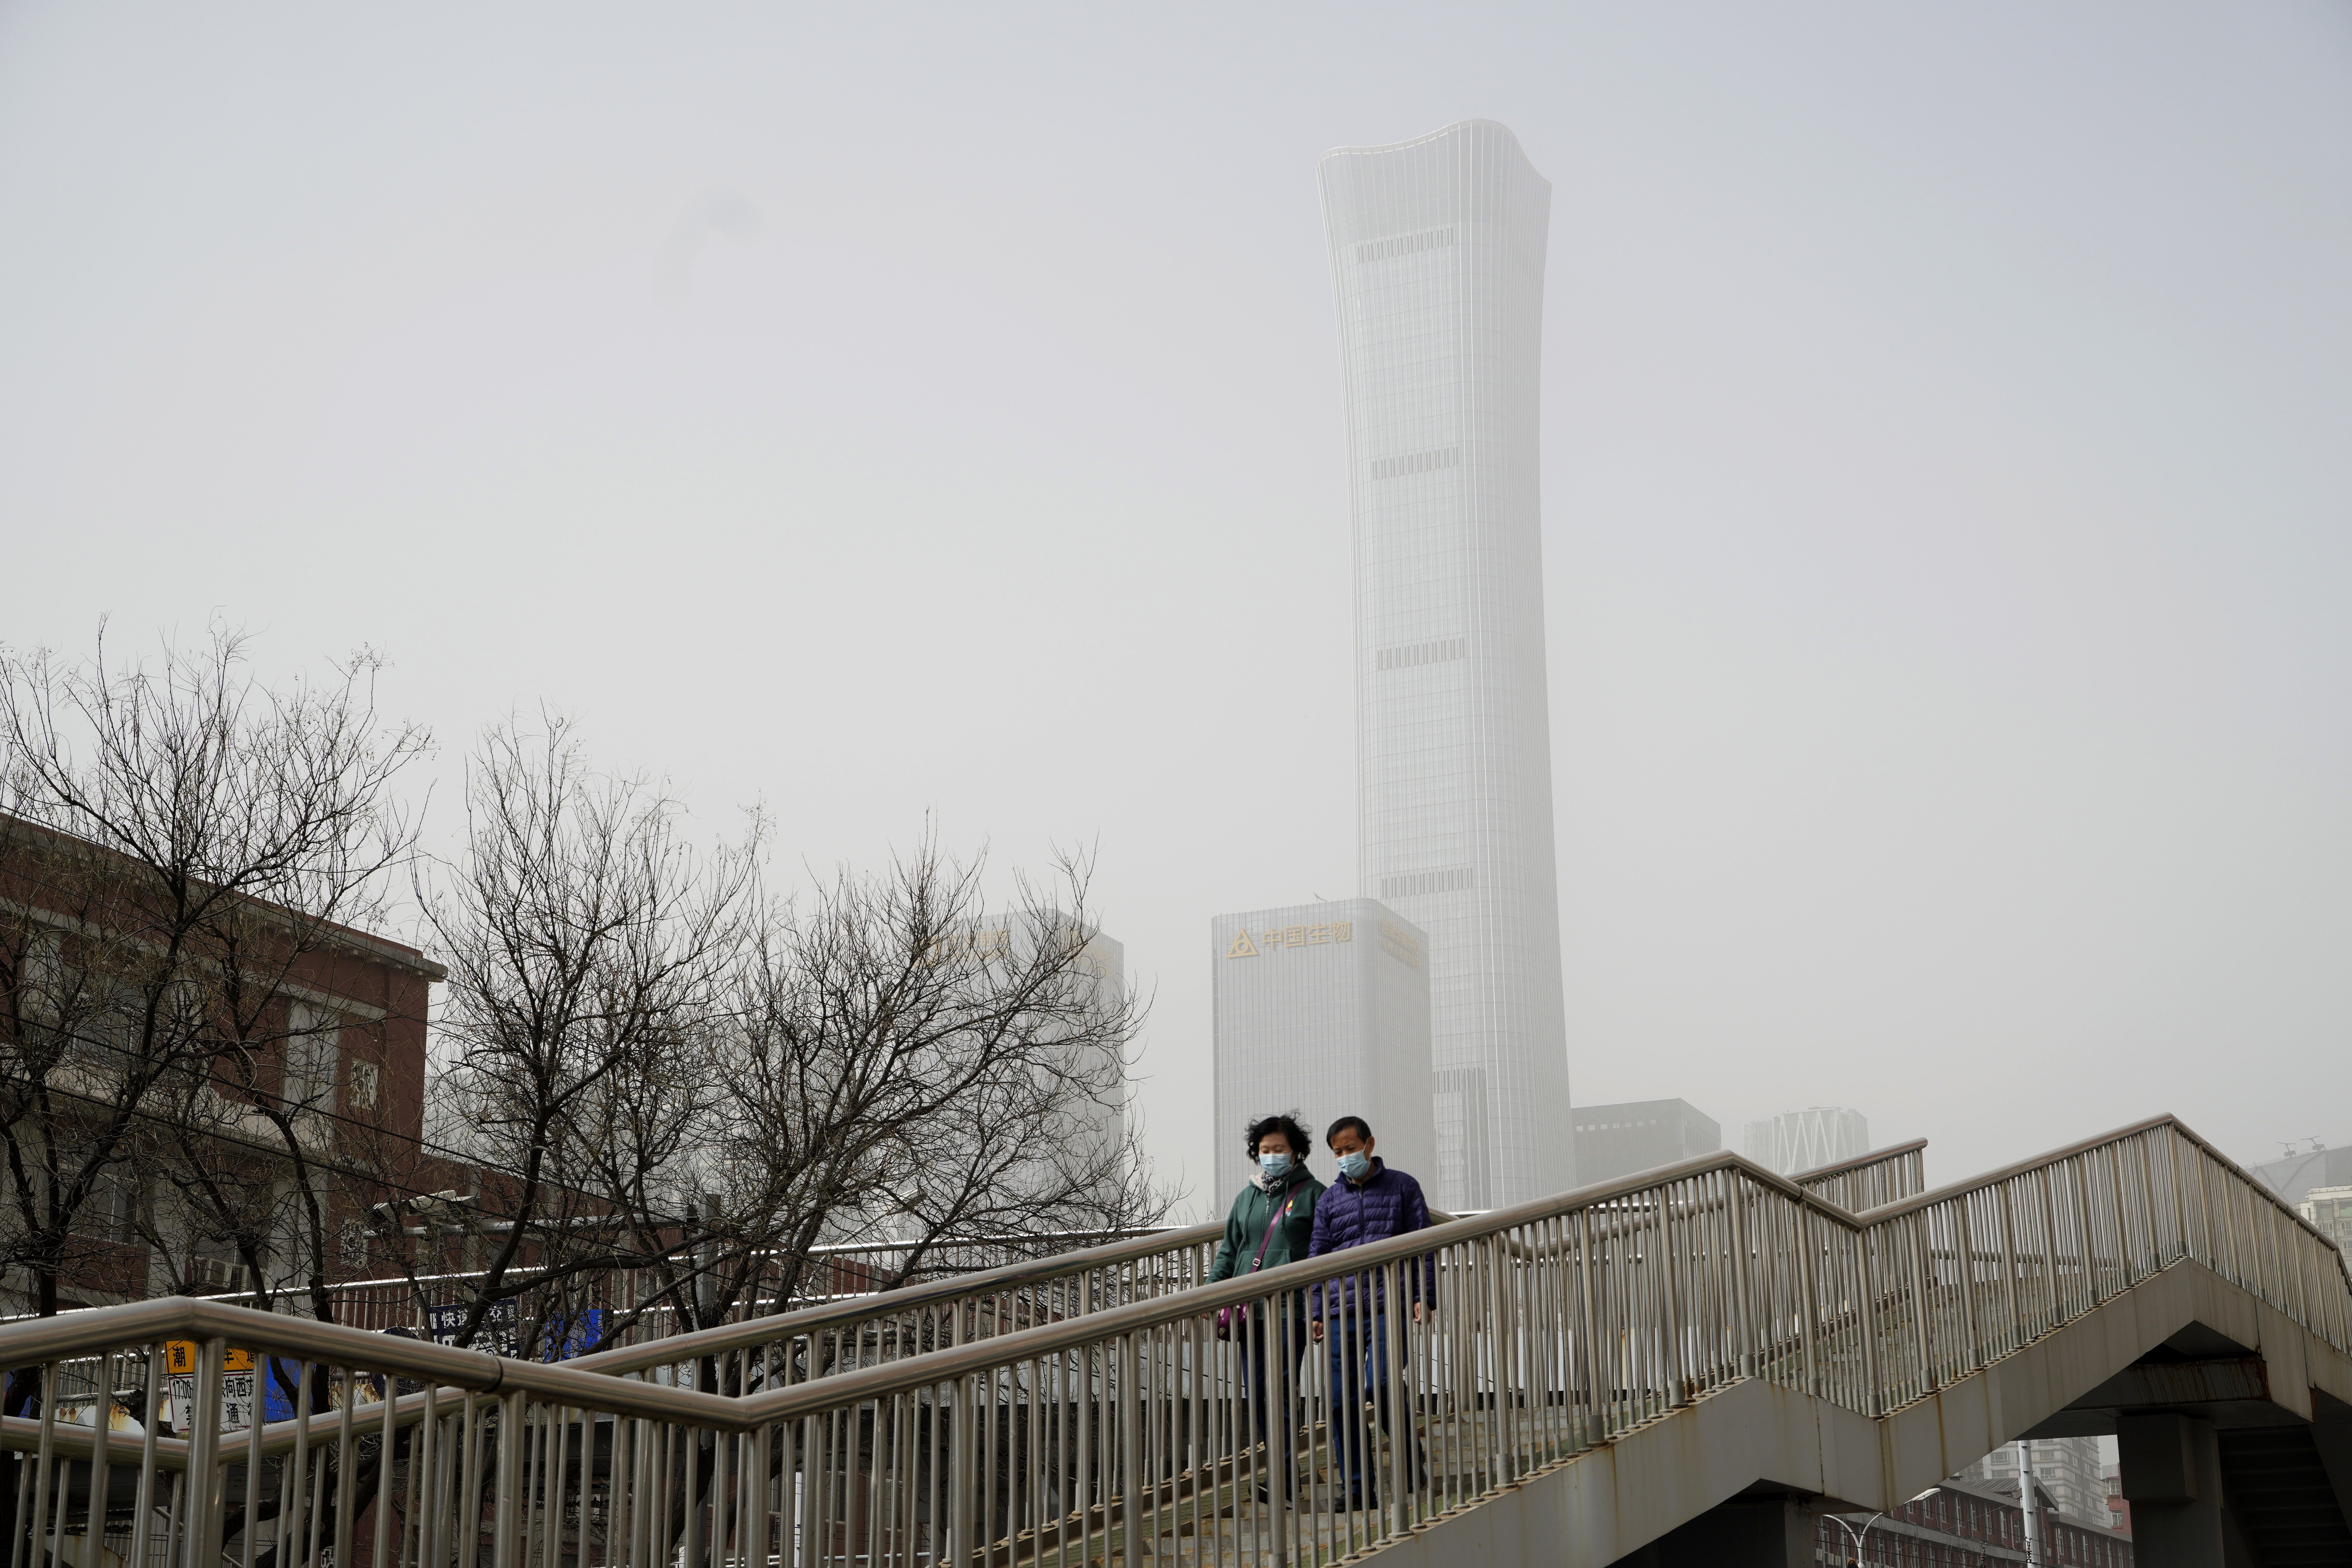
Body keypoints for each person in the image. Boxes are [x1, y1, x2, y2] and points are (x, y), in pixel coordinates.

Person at [1306, 1115, 1434, 1514]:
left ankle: (1410, 1456)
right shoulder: (1329, 1200)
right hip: (1339, 1310)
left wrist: (1422, 1295)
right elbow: (1316, 1257)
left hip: (1387, 1304)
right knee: (1342, 1401)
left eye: (1350, 1148)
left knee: (1378, 1383)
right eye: (1338, 1152)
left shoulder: (1402, 1186)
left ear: (1369, 1144)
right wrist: (1315, 1309)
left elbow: (1423, 1244)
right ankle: (1359, 1489)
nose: (1346, 1157)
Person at [1207, 1111, 1325, 1496]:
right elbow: (1229, 1251)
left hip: (1290, 1309)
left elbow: (1325, 1253)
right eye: (1264, 1150)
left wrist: (1319, 1306)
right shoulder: (1247, 1198)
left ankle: (1286, 1477)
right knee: (1258, 1392)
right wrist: (1212, 1293)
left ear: (1297, 1153)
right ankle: (1281, 1471)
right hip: (1249, 1311)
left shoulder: (1314, 1194)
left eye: (1279, 1149)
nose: (1271, 1155)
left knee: (1280, 1390)